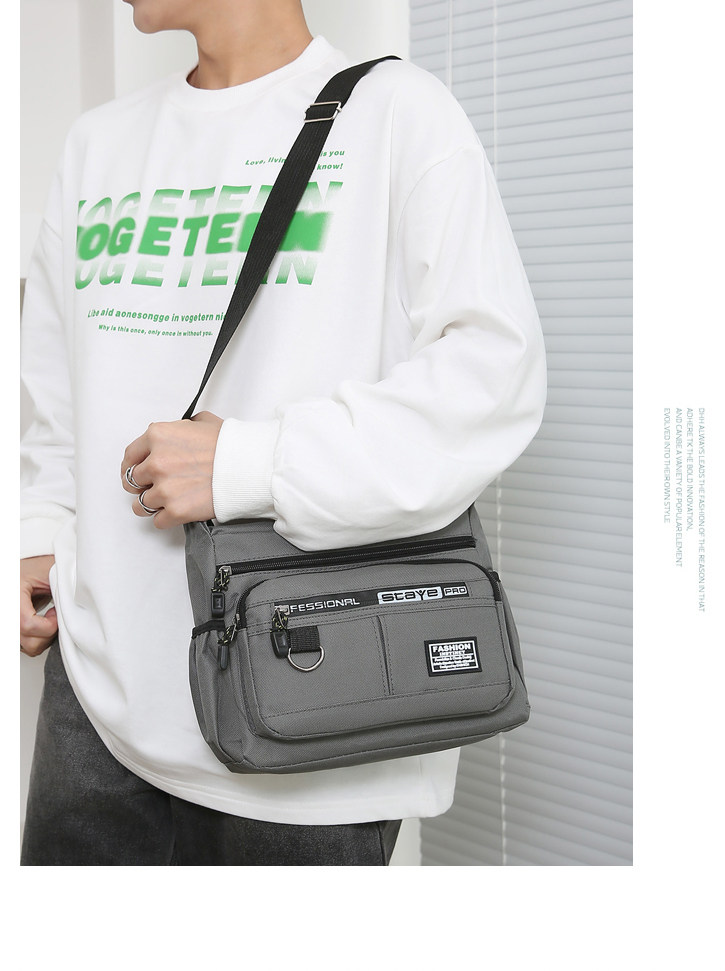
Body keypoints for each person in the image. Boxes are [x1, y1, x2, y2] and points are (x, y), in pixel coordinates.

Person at [20, 0, 546, 865]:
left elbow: (493, 380)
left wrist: (249, 463)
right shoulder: (97, 147)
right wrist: (40, 529)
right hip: (98, 708)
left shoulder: (398, 116)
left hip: (313, 711)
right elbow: (55, 388)